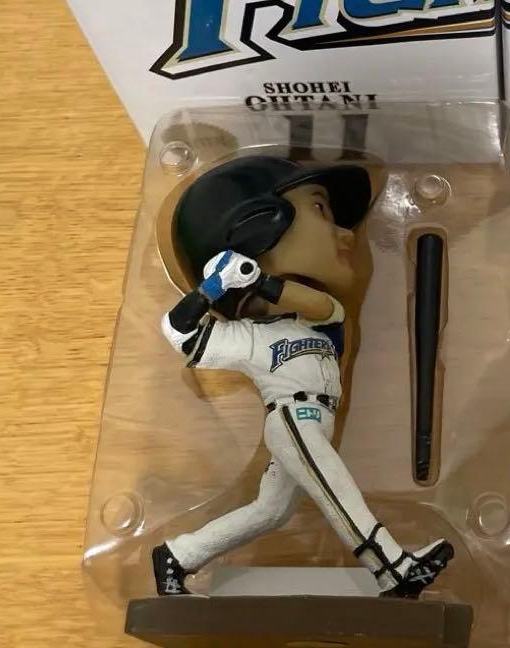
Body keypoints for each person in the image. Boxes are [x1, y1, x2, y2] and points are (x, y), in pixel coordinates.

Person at [151, 155, 454, 598]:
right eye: (319, 209)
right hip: (294, 418)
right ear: (256, 226)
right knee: (336, 488)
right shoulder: (249, 337)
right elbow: (179, 332)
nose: (347, 233)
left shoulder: (322, 321)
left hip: (318, 418)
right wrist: (214, 286)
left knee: (271, 512)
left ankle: (177, 556)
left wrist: (258, 281)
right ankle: (394, 569)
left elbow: (324, 306)